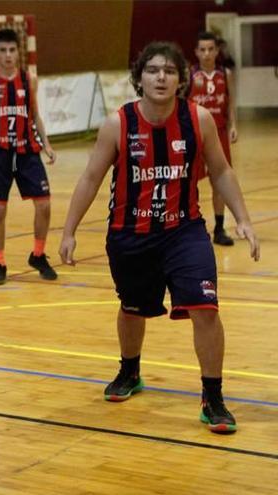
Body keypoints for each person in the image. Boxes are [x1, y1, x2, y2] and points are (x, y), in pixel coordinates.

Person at [59, 41, 260, 434]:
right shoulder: (119, 123)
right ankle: (130, 371)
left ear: (181, 79)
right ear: (139, 78)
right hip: (130, 235)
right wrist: (69, 231)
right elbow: (90, 178)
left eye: (169, 71)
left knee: (206, 308)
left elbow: (220, 171)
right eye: (152, 70)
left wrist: (243, 219)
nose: (161, 77)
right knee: (133, 307)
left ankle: (213, 396)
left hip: (184, 231)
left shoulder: (198, 119)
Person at [0, 28, 57, 285]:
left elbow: (35, 115)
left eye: (12, 50)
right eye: (2, 50)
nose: (7, 55)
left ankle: (38, 254)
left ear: (18, 52)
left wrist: (46, 144)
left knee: (45, 204)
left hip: (27, 151)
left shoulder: (29, 80)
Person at [188, 31, 238, 246]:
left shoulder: (224, 74)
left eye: (211, 49)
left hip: (219, 133)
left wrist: (233, 125)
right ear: (196, 52)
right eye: (203, 49)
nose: (207, 53)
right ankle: (192, 227)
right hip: (195, 134)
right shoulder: (190, 75)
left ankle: (219, 228)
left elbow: (230, 101)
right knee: (189, 183)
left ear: (217, 51)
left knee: (219, 182)